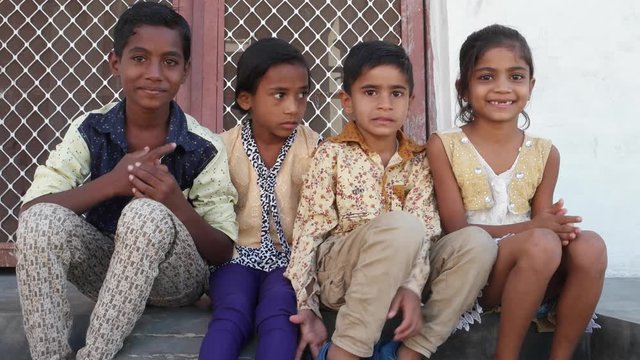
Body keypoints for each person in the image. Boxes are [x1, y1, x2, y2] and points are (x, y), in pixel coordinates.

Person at [15, 2, 238, 359]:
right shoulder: (91, 129)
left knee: (146, 214)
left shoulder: (203, 146)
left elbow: (222, 250)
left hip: (176, 281)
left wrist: (174, 203)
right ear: (115, 63)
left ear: (185, 71)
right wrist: (114, 182)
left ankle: (95, 355)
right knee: (40, 222)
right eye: (139, 58)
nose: (154, 73)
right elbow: (31, 211)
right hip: (105, 274)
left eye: (169, 61)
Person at [285, 40, 497, 360]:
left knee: (477, 243)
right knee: (401, 226)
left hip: (408, 272)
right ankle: (345, 352)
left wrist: (413, 286)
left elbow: (426, 229)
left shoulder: (419, 160)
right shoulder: (331, 153)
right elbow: (308, 234)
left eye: (396, 93)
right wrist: (307, 305)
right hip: (342, 274)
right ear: (347, 101)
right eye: (371, 92)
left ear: (409, 101)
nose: (384, 104)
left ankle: (410, 352)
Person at [425, 24, 607, 360]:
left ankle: (561, 356)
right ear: (462, 88)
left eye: (516, 76)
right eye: (486, 77)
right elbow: (456, 230)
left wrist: (557, 227)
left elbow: (542, 222)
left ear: (530, 85)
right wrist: (535, 229)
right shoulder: (443, 145)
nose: (502, 88)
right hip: (474, 269)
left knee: (591, 246)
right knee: (540, 241)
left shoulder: (545, 152)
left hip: (532, 264)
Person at [199, 38, 322, 360]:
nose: (294, 107)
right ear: (246, 98)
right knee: (232, 312)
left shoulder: (316, 149)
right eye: (280, 95)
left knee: (280, 315)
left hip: (292, 264)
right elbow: (205, 214)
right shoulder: (221, 148)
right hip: (234, 260)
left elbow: (319, 220)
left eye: (302, 95)